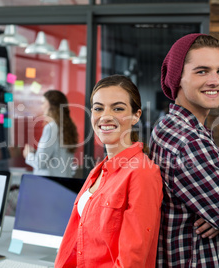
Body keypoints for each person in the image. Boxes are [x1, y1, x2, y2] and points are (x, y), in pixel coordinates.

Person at [149, 34, 219, 267]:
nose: (215, 81)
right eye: (202, 71)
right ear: (177, 78)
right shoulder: (189, 142)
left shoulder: (166, 125)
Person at [55, 74, 163, 267]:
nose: (106, 116)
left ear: (136, 116)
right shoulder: (98, 170)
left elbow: (132, 260)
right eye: (98, 108)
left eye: (118, 108)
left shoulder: (142, 173)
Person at [23, 90, 78, 178]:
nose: (41, 107)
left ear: (51, 105)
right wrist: (36, 153)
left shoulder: (51, 128)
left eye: (43, 103)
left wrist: (28, 155)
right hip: (64, 183)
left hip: (49, 184)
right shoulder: (68, 127)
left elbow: (40, 163)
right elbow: (56, 158)